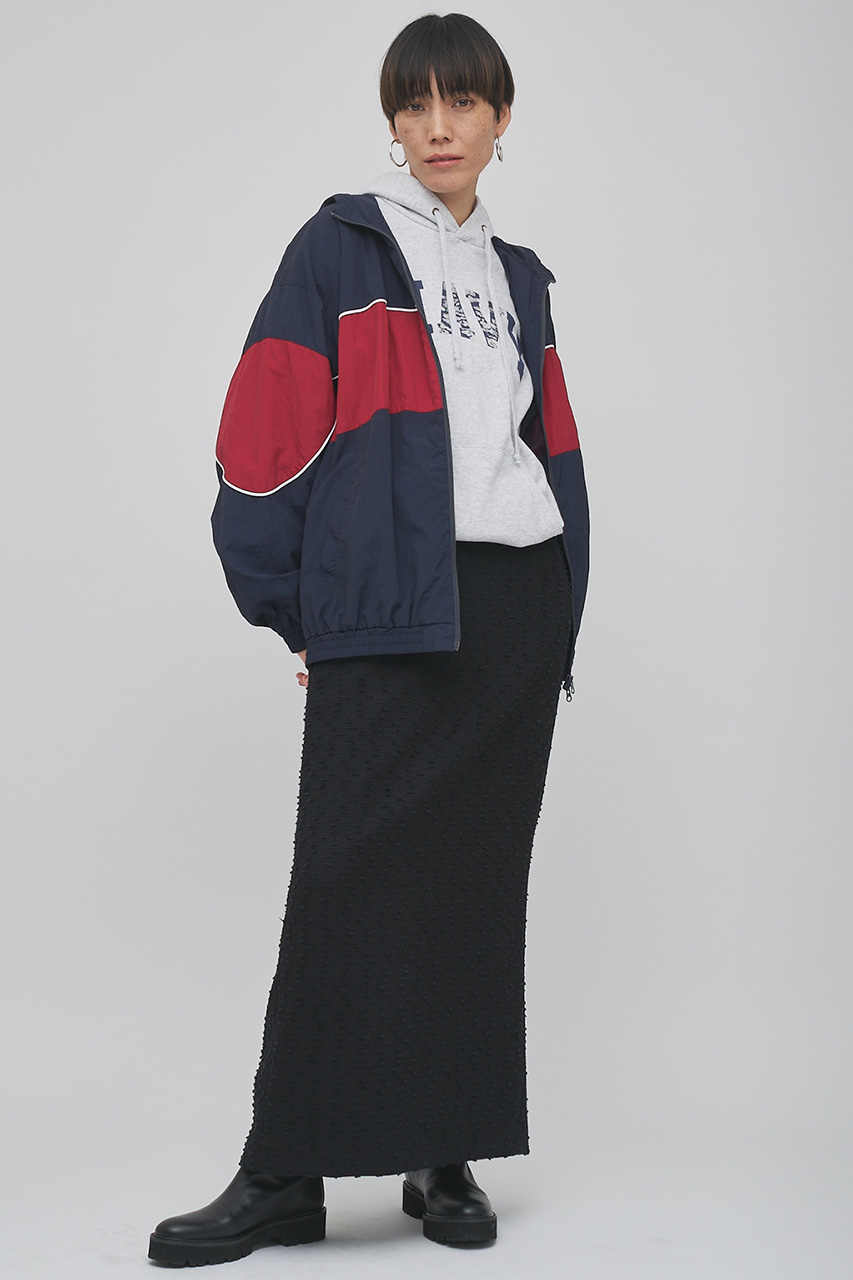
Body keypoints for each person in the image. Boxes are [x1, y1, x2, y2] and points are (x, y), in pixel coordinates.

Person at [148, 11, 589, 1266]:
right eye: (414, 104)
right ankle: (283, 1170)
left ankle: (439, 1149)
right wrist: (296, 599)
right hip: (388, 600)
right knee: (344, 881)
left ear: (501, 119)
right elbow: (265, 430)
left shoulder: (520, 278)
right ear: (393, 121)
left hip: (511, 600)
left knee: (469, 887)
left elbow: (541, 445)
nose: (438, 126)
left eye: (463, 102)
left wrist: (562, 592)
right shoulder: (340, 247)